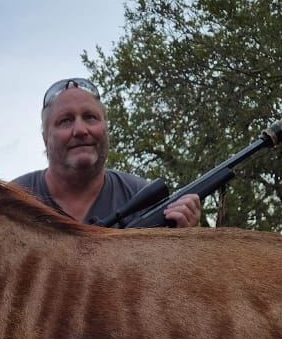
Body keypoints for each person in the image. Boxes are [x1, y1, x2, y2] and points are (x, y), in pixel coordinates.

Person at [11, 77, 201, 228]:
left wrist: (183, 240)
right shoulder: (11, 201)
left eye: (90, 117)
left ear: (105, 129)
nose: (80, 130)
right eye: (65, 120)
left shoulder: (143, 197)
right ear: (46, 138)